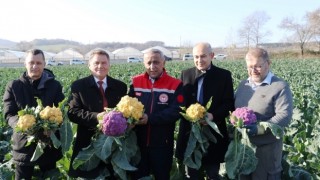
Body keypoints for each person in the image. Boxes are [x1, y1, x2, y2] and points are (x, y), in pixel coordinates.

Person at [176, 42, 235, 180]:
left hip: (213, 133)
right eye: (196, 57)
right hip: (189, 133)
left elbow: (229, 103)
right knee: (192, 174)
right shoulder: (186, 74)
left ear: (212, 56)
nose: (199, 60)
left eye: (203, 56)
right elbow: (180, 101)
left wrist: (212, 116)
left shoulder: (224, 76)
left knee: (213, 173)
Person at [3, 49, 65, 180]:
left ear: (44, 64)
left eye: (38, 63)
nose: (35, 66)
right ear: (25, 64)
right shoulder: (14, 86)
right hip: (23, 145)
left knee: (49, 176)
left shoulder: (55, 86)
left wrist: (52, 127)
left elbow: (62, 112)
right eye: (31, 62)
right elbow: (9, 114)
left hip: (48, 144)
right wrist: (22, 124)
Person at [67, 49, 127, 179]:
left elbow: (126, 112)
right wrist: (97, 117)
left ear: (109, 64)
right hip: (87, 142)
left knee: (113, 175)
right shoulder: (78, 86)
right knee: (88, 174)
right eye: (96, 63)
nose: (100, 66)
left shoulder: (120, 87)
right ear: (89, 65)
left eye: (104, 63)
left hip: (114, 144)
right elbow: (72, 112)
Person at [235, 48, 293, 179]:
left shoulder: (279, 86)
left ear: (268, 63)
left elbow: (284, 116)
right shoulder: (243, 85)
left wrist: (260, 129)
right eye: (250, 67)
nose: (253, 70)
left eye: (258, 66)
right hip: (244, 149)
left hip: (267, 149)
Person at [129, 49, 184, 180]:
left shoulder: (175, 84)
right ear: (144, 63)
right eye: (149, 62)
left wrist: (150, 119)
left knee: (162, 176)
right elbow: (127, 106)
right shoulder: (135, 82)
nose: (152, 66)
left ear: (163, 63)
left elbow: (177, 111)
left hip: (162, 144)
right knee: (139, 176)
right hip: (138, 144)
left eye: (156, 62)